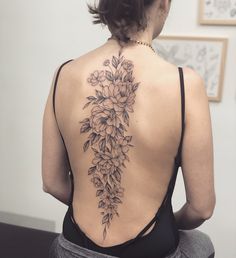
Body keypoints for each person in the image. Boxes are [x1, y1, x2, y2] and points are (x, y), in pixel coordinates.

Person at [42, 0, 216, 257]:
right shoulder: (185, 84)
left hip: (72, 248)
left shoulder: (64, 74)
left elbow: (53, 183)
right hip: (151, 250)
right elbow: (201, 208)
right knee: (202, 244)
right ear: (163, 4)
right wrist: (166, 224)